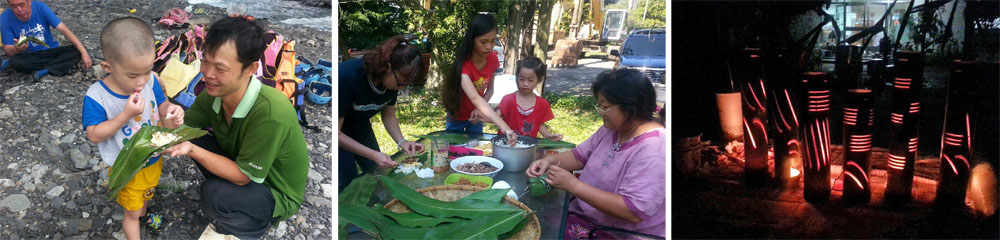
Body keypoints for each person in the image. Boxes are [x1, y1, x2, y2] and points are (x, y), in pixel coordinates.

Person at [160, 16, 309, 238]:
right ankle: (235, 199)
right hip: (244, 164)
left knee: (214, 195)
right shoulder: (214, 93)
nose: (208, 74)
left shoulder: (270, 112)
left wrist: (192, 150)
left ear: (250, 68)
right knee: (191, 137)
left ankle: (252, 227)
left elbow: (243, 177)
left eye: (220, 68)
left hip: (276, 189)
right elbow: (180, 131)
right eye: (205, 61)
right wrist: (166, 110)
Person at [525, 69, 665, 238]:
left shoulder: (654, 150)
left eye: (605, 107)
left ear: (630, 107)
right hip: (585, 216)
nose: (600, 112)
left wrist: (574, 186)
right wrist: (550, 161)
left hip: (615, 233)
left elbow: (633, 211)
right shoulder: (613, 129)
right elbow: (579, 156)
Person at [82, 17, 185, 238]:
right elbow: (94, 134)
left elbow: (162, 104)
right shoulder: (97, 96)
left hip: (152, 159)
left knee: (147, 193)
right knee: (131, 211)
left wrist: (172, 111)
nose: (141, 82)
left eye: (147, 71)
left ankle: (143, 214)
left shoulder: (150, 81)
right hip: (127, 168)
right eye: (132, 75)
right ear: (108, 67)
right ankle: (135, 220)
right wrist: (126, 114)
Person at [338, 35, 426, 191]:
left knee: (375, 173)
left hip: (361, 128)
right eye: (400, 83)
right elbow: (336, 133)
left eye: (406, 86)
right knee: (346, 183)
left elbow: (389, 116)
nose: (401, 89)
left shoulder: (390, 84)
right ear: (388, 66)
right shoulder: (347, 77)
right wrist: (373, 154)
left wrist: (402, 142)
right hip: (338, 131)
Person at [440, 13, 518, 143]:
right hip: (457, 115)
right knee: (454, 149)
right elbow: (475, 98)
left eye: (493, 41)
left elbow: (490, 90)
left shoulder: (493, 59)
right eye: (483, 41)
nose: (489, 46)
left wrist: (478, 110)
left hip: (477, 116)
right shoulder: (464, 67)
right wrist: (504, 126)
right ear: (472, 40)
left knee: (475, 149)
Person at [1, 0, 92, 80]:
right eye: (14, 6)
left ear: (29, 2)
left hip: (50, 50)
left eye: (22, 5)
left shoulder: (41, 7)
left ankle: (45, 70)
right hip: (29, 55)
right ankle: (55, 67)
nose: (19, 10)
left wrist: (84, 53)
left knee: (79, 50)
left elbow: (64, 30)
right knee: (16, 62)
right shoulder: (4, 17)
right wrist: (17, 49)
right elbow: (8, 50)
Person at [487, 57, 562, 140]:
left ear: (539, 80)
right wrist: (481, 115)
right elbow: (495, 117)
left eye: (530, 80)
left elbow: (539, 124)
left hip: (527, 147)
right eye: (521, 79)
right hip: (505, 144)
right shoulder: (508, 99)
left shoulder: (542, 103)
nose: (525, 83)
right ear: (517, 78)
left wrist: (548, 135)